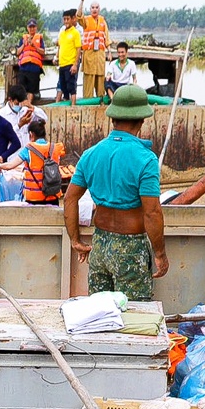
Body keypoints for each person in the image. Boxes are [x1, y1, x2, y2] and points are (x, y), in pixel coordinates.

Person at [65, 85, 167, 300]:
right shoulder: (146, 159)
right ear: (142, 120)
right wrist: (160, 253)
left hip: (100, 245)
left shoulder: (91, 154)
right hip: (130, 247)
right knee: (134, 311)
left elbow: (70, 198)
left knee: (100, 311)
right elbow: (152, 212)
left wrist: (75, 240)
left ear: (113, 118)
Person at [6, 118, 64, 205]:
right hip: (53, 196)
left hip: (34, 199)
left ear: (31, 134)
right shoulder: (55, 148)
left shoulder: (28, 150)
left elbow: (10, 165)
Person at [77, 0, 109, 101]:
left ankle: (101, 103)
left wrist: (109, 52)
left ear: (99, 9)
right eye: (92, 7)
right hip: (89, 55)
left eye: (96, 7)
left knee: (100, 81)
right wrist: (82, 1)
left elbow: (107, 38)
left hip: (100, 56)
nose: (94, 9)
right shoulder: (86, 20)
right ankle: (87, 103)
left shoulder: (103, 21)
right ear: (90, 9)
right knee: (88, 82)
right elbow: (78, 15)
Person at [14, 19, 46, 98]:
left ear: (36, 27)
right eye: (30, 27)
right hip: (23, 68)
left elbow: (43, 52)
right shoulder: (23, 38)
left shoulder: (39, 38)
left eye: (33, 27)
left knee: (31, 92)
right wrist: (24, 45)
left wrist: (34, 45)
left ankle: (28, 104)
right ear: (27, 28)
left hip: (34, 68)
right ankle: (24, 104)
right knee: (22, 91)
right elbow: (17, 52)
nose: (32, 29)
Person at [56, 10, 82, 103]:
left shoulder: (75, 32)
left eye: (68, 19)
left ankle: (73, 105)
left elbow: (78, 49)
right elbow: (60, 47)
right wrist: (56, 58)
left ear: (72, 19)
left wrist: (75, 64)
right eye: (64, 19)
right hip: (62, 64)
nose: (66, 21)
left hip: (70, 63)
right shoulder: (62, 33)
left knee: (71, 86)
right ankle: (65, 104)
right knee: (63, 87)